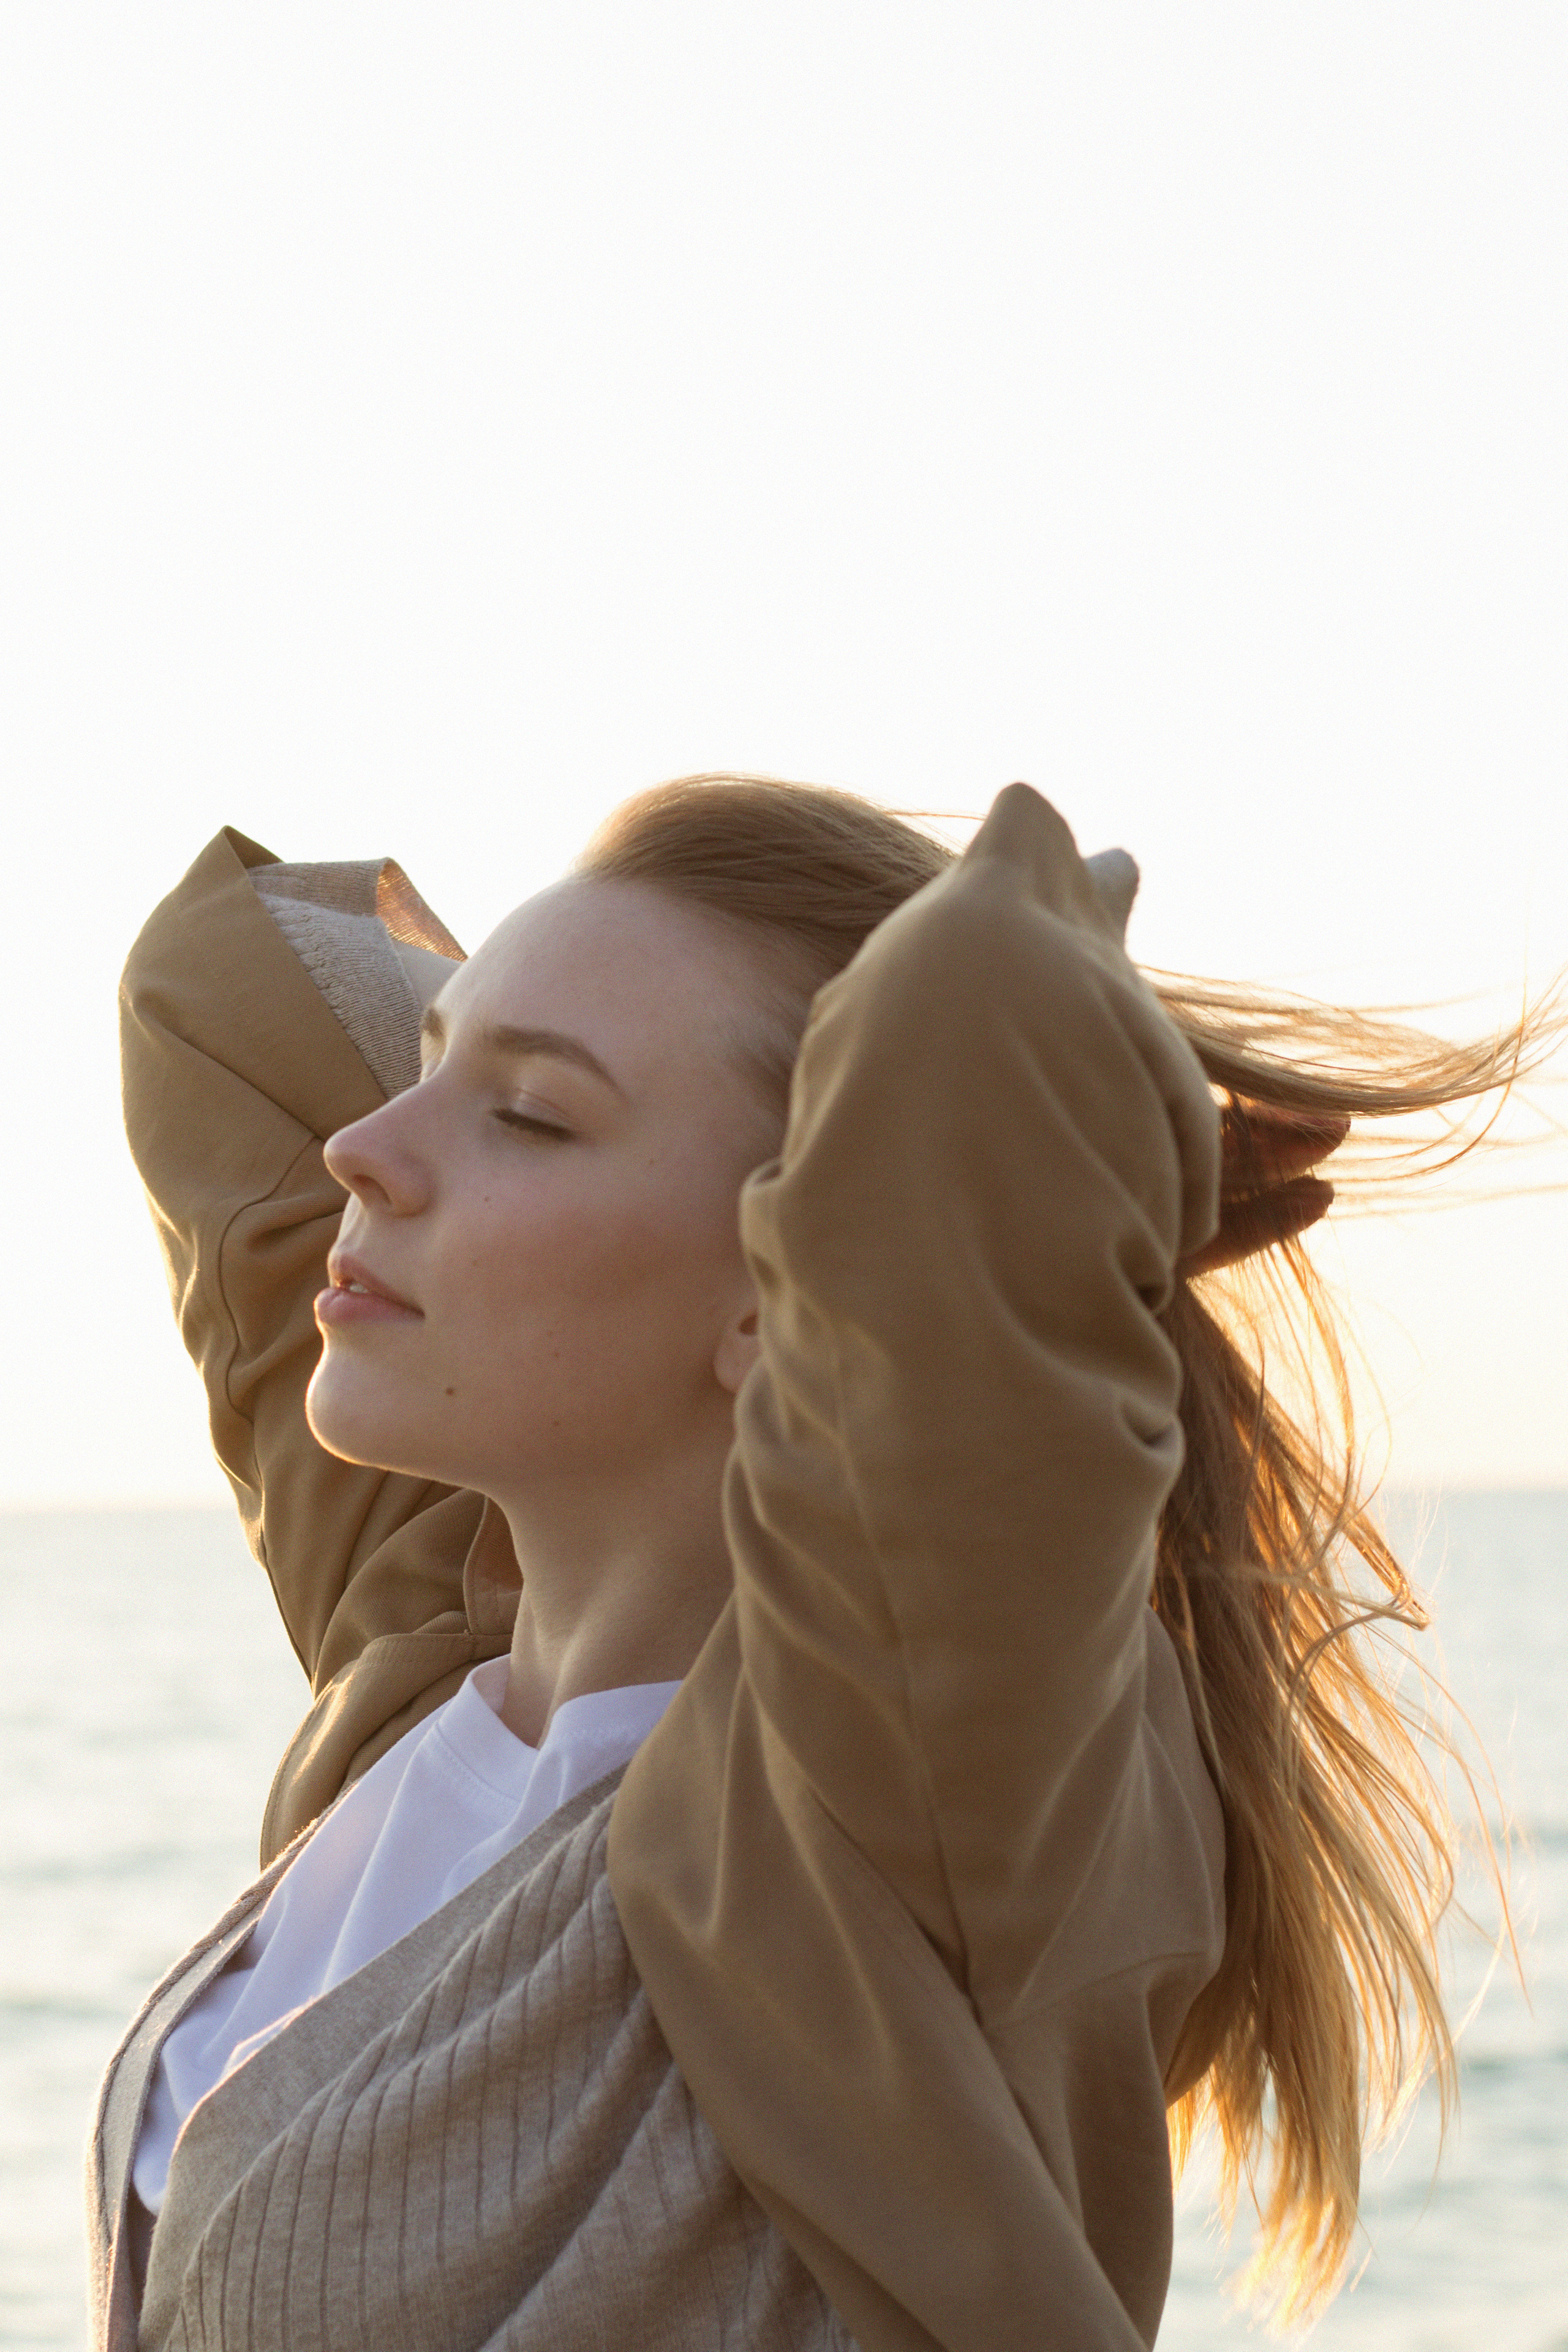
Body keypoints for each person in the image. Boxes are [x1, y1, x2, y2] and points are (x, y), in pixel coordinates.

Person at [88, 774, 1537, 2352]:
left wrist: (1013, 1163)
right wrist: (556, 1027)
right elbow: (223, 987)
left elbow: (984, 999)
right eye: (427, 1067)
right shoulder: (425, 1684)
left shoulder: (895, 1818)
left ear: (795, 1283)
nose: (363, 1151)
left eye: (531, 1116)